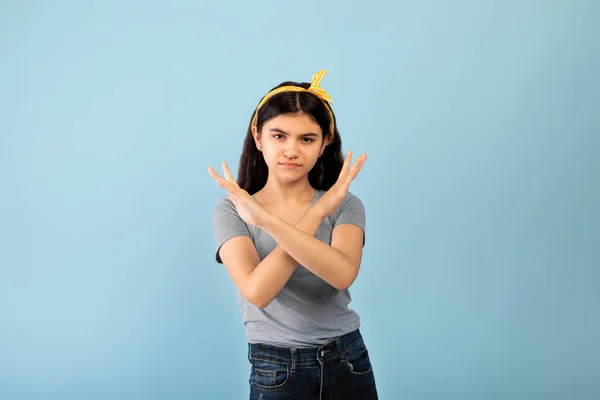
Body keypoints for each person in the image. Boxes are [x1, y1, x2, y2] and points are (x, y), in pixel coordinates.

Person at [209, 70, 378, 399]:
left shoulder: (345, 205)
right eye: (278, 136)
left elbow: (342, 274)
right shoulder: (231, 210)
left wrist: (272, 220)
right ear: (258, 137)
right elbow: (258, 292)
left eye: (307, 138)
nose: (291, 150)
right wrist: (315, 214)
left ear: (324, 143)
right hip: (276, 368)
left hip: (348, 360)